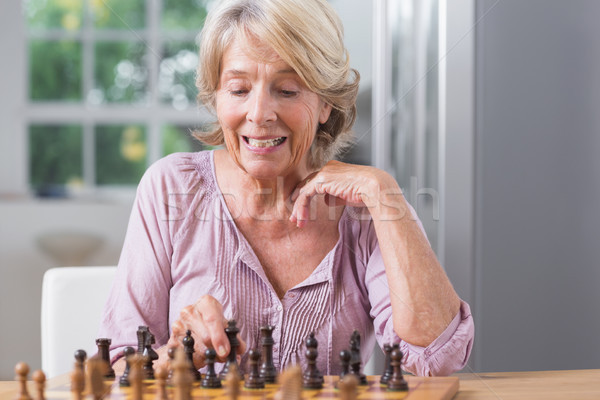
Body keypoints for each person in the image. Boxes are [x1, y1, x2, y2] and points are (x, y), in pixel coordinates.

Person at [99, 0, 473, 377]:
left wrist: (383, 190)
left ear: (325, 102)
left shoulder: (365, 209)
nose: (259, 113)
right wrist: (178, 354)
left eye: (288, 90)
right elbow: (118, 370)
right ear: (217, 97)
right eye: (239, 89)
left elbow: (436, 359)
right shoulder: (170, 187)